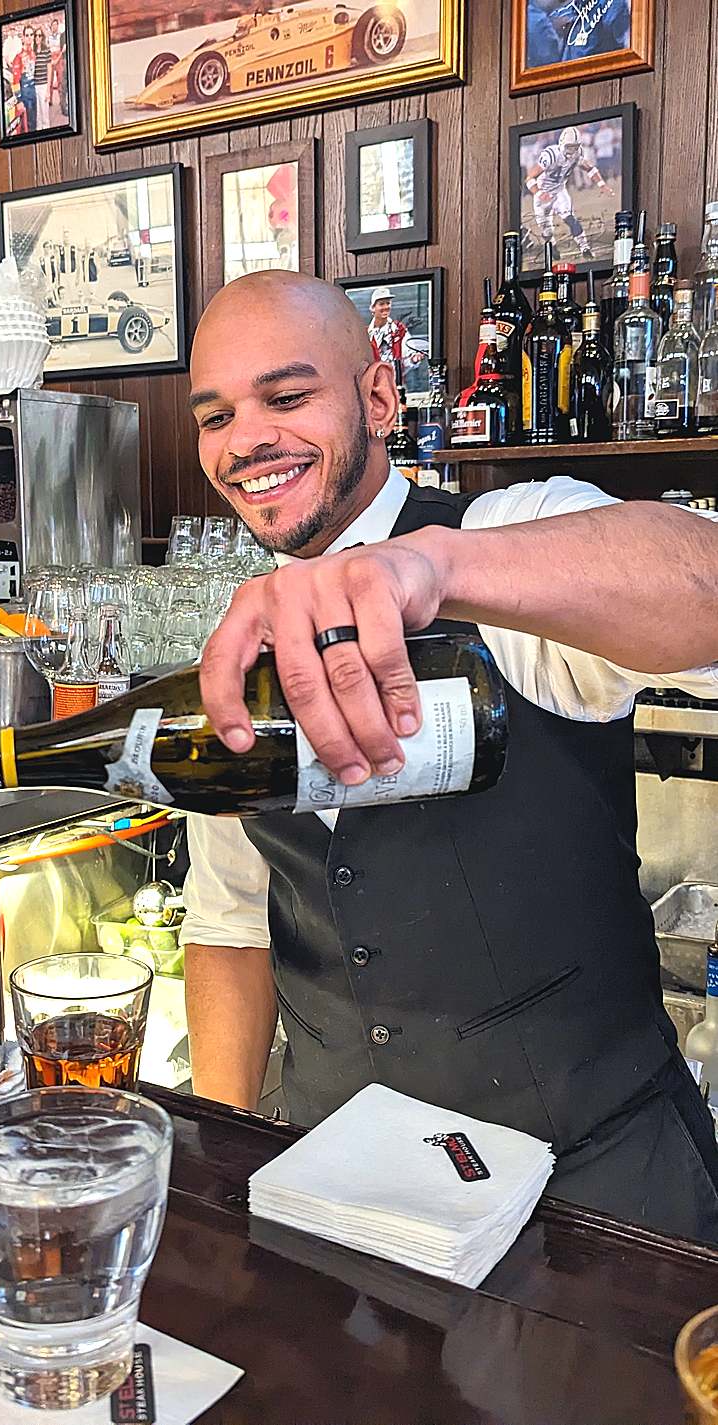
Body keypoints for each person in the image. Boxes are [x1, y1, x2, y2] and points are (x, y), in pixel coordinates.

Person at [182, 269, 718, 1240]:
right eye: (214, 416)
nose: (245, 439)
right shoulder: (239, 642)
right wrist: (223, 1156)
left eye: (286, 397)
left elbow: (704, 582)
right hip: (334, 1189)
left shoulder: (506, 540)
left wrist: (433, 567)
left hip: (593, 1204)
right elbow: (230, 919)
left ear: (378, 397)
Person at [525, 124, 613, 262]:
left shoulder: (579, 153)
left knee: (570, 218)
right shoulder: (551, 154)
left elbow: (590, 168)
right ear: (562, 144)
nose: (572, 150)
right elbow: (529, 178)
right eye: (569, 147)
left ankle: (585, 248)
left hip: (559, 191)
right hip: (543, 194)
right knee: (546, 230)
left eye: (575, 147)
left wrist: (602, 184)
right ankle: (552, 245)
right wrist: (539, 193)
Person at [367, 286, 422, 387]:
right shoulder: (366, 334)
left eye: (388, 303)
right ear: (373, 308)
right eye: (381, 304)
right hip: (375, 389)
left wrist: (414, 359)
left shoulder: (399, 329)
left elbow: (408, 357)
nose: (385, 307)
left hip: (397, 387)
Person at [11, 25, 38, 132]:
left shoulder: (33, 54)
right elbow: (15, 82)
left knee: (34, 125)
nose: (29, 37)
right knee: (27, 128)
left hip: (34, 93)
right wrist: (19, 100)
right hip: (25, 95)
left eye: (31, 35)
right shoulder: (18, 57)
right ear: (23, 37)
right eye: (27, 35)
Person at [33, 26, 51, 132]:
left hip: (44, 85)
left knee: (45, 113)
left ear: (42, 37)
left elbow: (49, 69)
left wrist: (48, 89)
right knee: (38, 113)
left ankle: (46, 132)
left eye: (39, 35)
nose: (37, 37)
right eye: (36, 35)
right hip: (35, 85)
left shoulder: (46, 50)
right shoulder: (33, 51)